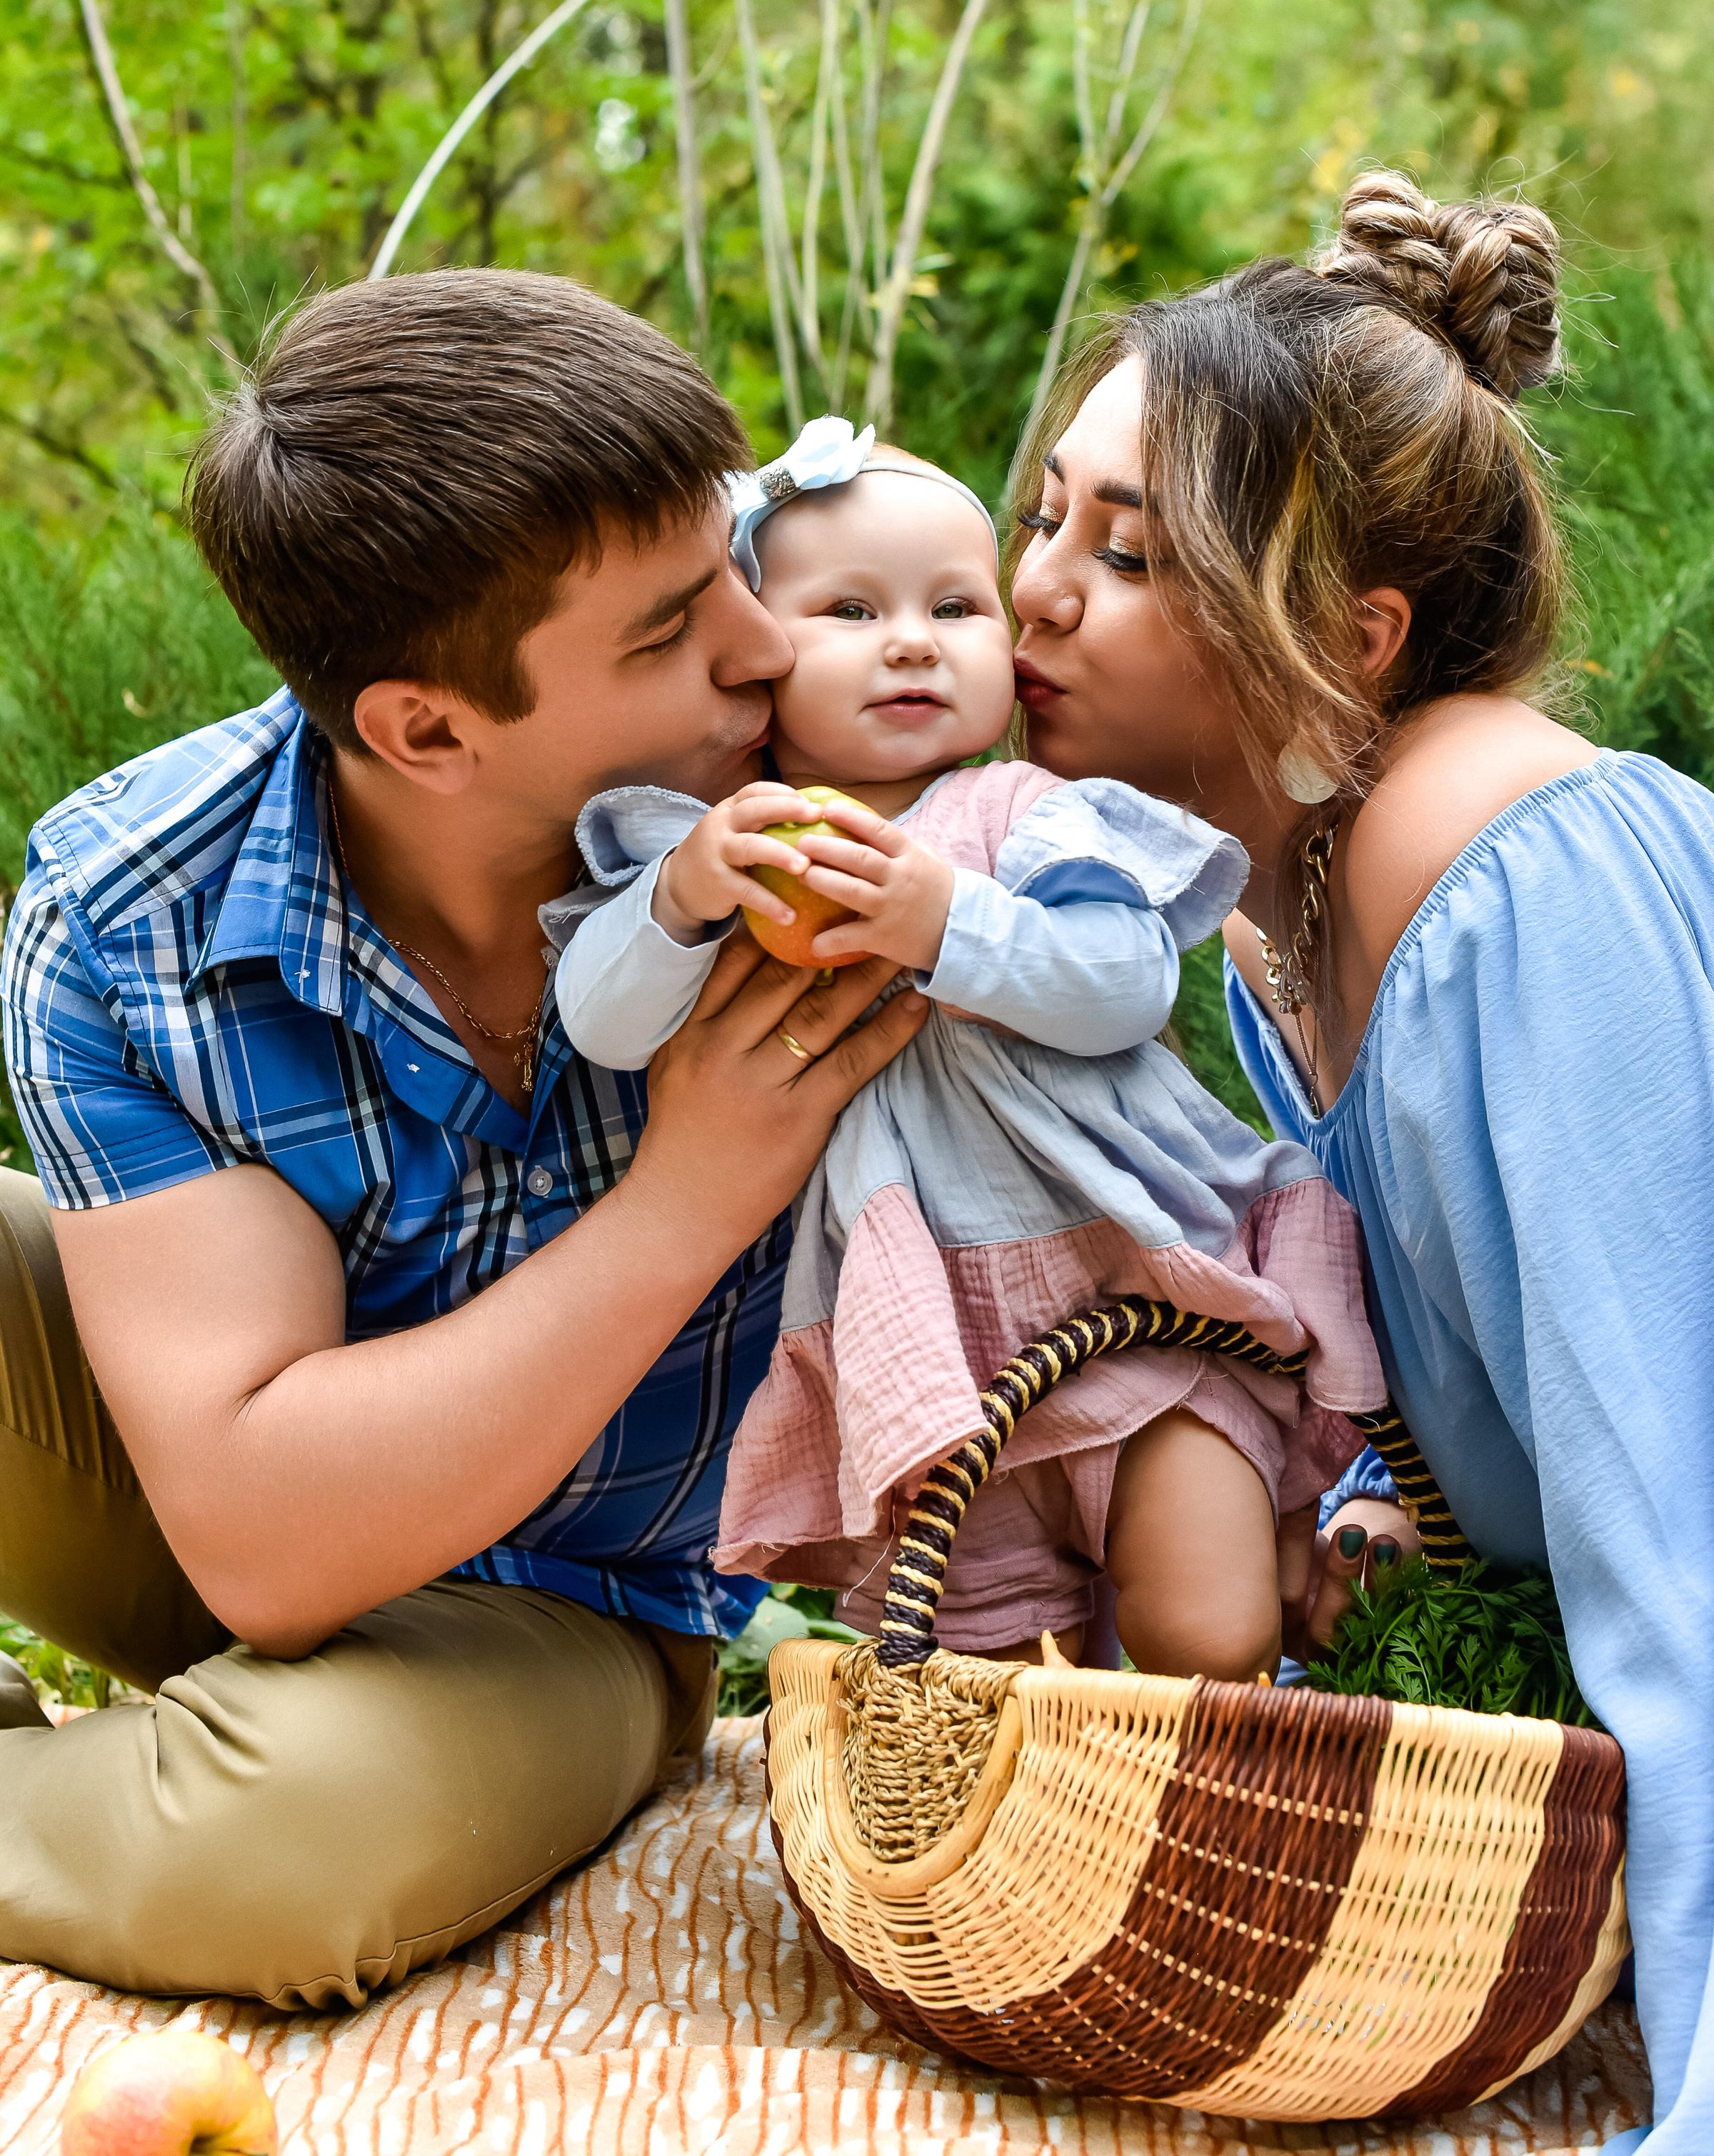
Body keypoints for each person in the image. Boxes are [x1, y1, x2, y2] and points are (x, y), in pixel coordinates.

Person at [0, 268, 924, 2009]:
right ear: (425, 728)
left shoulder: (821, 808)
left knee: (288, 1854)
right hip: (230, 1502)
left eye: (730, 556)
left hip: (570, 1603)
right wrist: (693, 1196)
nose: (766, 645)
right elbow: (264, 1544)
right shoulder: (139, 913)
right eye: (666, 635)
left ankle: (182, 1785)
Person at [1006, 167, 1708, 2154]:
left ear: (1346, 634)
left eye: (1127, 556)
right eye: (1049, 514)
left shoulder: (1507, 864)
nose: (1033, 587)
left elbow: (1689, 1522)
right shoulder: (1271, 924)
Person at [551, 416, 1380, 1678]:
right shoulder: (730, 848)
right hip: (923, 1351)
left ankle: (1239, 1818)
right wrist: (680, 897)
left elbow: (1129, 983)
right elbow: (601, 1024)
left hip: (1130, 1286)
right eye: (848, 610)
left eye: (956, 605)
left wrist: (951, 921)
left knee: (1204, 1631)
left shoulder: (1022, 816)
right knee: (987, 1695)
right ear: (755, 651)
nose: (910, 641)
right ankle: (1059, 1872)